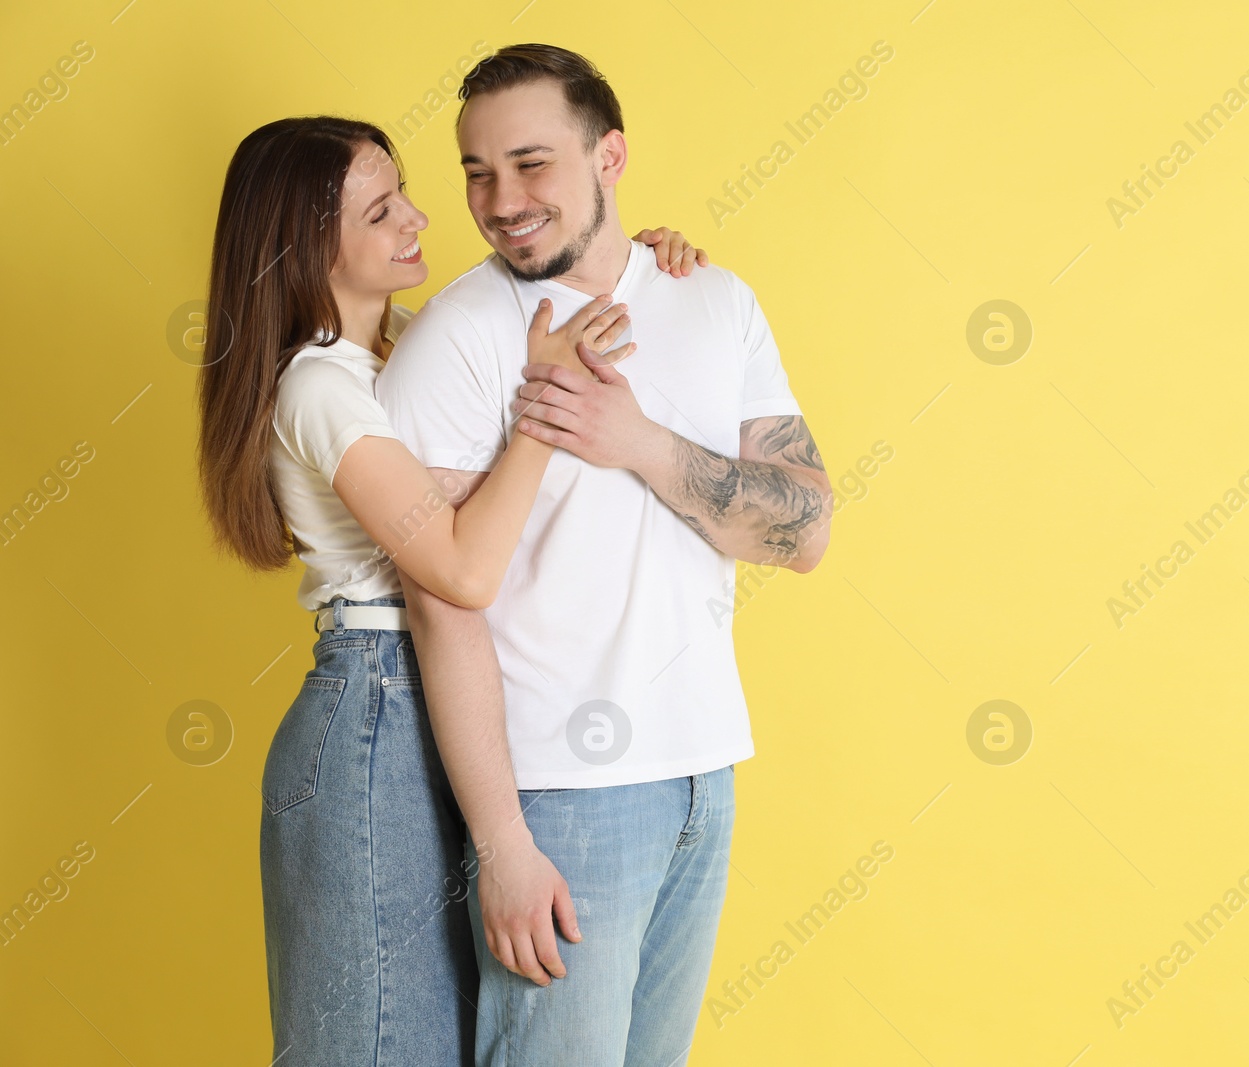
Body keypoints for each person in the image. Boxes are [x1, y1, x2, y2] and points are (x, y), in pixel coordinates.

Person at [194, 113, 709, 1067]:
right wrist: (541, 414)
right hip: (376, 715)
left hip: (438, 706)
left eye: (407, 195)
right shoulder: (320, 387)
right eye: (383, 210)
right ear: (310, 246)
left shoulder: (394, 352)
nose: (419, 218)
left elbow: (526, 310)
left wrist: (631, 257)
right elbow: (462, 570)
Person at [374, 43, 833, 1066]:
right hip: (558, 797)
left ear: (609, 155)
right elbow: (439, 603)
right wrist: (500, 841)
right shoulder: (458, 334)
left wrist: (641, 445)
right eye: (476, 171)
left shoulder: (715, 299)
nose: (501, 199)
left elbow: (804, 531)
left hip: (701, 772)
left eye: (531, 163)